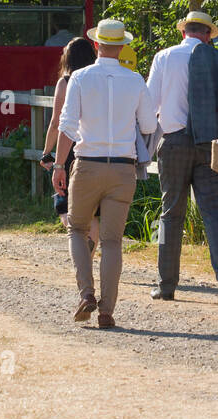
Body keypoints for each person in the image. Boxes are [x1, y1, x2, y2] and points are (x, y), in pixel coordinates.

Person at [52, 20, 154, 329]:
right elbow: (149, 126)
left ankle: (86, 293)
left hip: (87, 164)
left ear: (97, 45)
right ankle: (107, 310)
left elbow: (66, 125)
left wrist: (58, 165)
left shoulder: (80, 78)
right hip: (123, 169)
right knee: (112, 241)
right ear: (122, 46)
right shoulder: (135, 80)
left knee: (77, 229)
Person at [145, 10, 218, 306]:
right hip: (209, 143)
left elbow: (150, 106)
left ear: (183, 31)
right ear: (208, 34)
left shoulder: (164, 57)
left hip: (174, 142)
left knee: (171, 213)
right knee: (213, 211)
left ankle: (167, 285)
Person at [41, 37, 98, 239]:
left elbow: (56, 122)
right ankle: (88, 252)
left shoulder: (65, 82)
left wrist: (47, 152)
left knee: (65, 205)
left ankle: (79, 245)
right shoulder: (97, 79)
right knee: (93, 210)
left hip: (69, 147)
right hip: (93, 144)